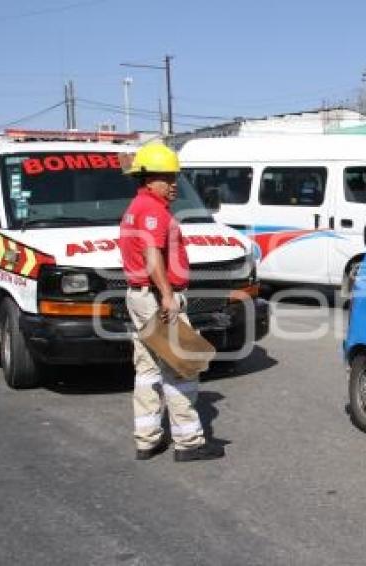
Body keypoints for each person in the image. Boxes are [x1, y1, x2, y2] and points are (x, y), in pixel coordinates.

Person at [118, 143, 224, 462]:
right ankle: (189, 443)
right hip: (154, 297)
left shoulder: (137, 207)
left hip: (140, 296)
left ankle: (148, 439)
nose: (173, 182)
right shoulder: (152, 211)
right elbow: (152, 255)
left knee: (147, 370)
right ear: (149, 179)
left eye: (174, 175)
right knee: (183, 368)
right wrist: (166, 295)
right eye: (166, 177)